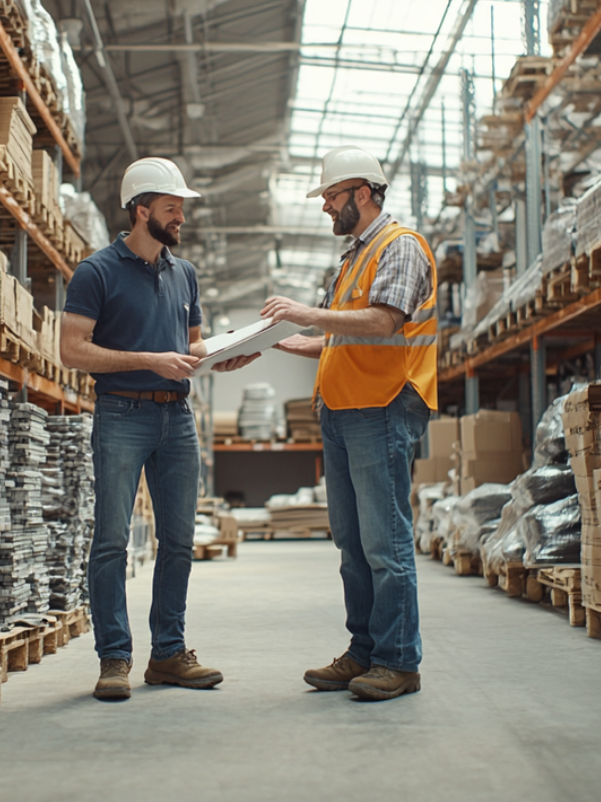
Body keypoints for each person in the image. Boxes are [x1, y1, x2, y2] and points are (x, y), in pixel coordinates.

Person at [60, 157, 241, 702]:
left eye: (181, 208)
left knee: (180, 541)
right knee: (112, 541)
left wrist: (226, 356)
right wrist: (149, 360)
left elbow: (191, 349)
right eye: (171, 207)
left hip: (177, 418)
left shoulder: (184, 273)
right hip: (121, 415)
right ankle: (114, 657)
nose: (180, 217)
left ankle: (168, 653)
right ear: (141, 211)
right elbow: (71, 350)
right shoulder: (97, 271)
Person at [260, 146, 437, 701]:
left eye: (332, 197)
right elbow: (347, 334)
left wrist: (307, 313)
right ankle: (364, 651)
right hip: (341, 412)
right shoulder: (354, 256)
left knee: (384, 542)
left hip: (381, 407)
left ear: (363, 193)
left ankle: (398, 661)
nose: (326, 208)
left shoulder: (400, 246)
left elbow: (384, 322)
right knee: (353, 544)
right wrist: (297, 343)